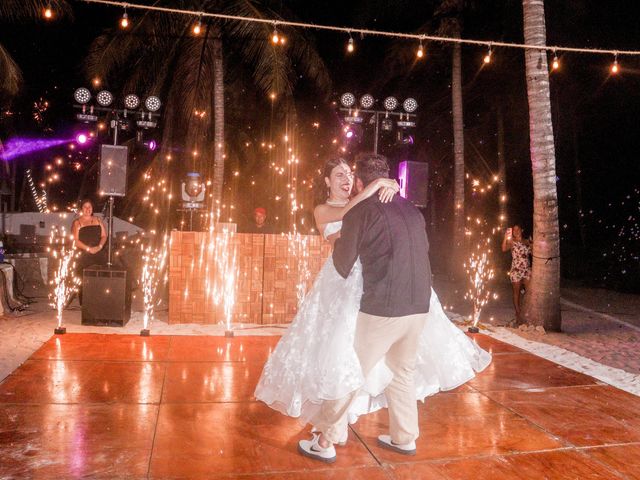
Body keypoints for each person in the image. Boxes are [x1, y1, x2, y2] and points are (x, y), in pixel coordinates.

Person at [254, 156, 490, 462]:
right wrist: (378, 188)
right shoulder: (400, 207)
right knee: (399, 369)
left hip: (380, 301)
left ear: (360, 181)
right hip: (402, 302)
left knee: (351, 369)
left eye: (350, 175)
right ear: (327, 182)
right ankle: (404, 437)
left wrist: (370, 199)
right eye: (338, 175)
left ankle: (325, 440)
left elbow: (344, 260)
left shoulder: (365, 208)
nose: (346, 180)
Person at [71, 199, 107, 302]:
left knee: (101, 277)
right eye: (85, 207)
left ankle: (100, 299)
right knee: (84, 279)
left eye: (89, 207)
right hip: (84, 255)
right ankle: (86, 302)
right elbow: (75, 240)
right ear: (81, 209)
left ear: (92, 208)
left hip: (99, 253)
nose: (87, 209)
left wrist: (99, 247)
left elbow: (104, 236)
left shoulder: (98, 220)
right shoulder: (77, 222)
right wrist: (88, 249)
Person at [501, 224, 532, 320]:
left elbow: (533, 252)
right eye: (514, 230)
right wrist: (505, 238)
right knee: (516, 292)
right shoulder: (511, 241)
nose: (516, 231)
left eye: (518, 229)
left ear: (521, 230)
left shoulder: (527, 241)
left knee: (530, 291)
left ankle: (527, 309)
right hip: (516, 270)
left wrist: (532, 244)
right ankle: (518, 313)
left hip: (526, 269)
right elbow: (503, 249)